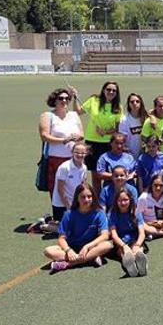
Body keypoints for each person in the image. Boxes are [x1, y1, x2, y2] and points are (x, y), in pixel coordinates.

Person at [43, 183, 112, 272]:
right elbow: (61, 238)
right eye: (83, 197)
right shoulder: (69, 214)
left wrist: (87, 246)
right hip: (73, 247)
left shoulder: (99, 213)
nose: (86, 200)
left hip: (91, 247)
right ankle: (90, 259)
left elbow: (105, 235)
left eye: (89, 196)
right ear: (77, 198)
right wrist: (68, 250)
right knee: (48, 251)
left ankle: (68, 264)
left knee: (108, 245)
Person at [39, 88, 84, 217]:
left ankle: (76, 214)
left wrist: (77, 137)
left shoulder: (74, 115)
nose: (64, 101)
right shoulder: (48, 116)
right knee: (57, 191)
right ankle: (58, 217)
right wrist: (63, 140)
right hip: (56, 159)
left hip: (74, 159)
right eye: (61, 98)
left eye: (66, 98)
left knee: (75, 188)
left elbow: (82, 134)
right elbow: (44, 136)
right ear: (54, 100)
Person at [71, 81, 122, 194]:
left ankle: (108, 199)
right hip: (92, 143)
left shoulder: (118, 107)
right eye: (108, 89)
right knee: (96, 176)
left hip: (108, 144)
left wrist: (106, 132)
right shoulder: (94, 101)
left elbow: (117, 129)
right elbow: (77, 111)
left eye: (114, 90)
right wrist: (75, 98)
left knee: (108, 174)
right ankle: (97, 202)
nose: (111, 92)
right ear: (103, 90)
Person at [108, 188, 148, 277]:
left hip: (134, 239)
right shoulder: (112, 214)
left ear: (130, 200)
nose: (123, 203)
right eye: (120, 200)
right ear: (116, 201)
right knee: (125, 253)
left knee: (137, 251)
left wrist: (137, 245)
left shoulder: (136, 212)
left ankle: (141, 261)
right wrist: (124, 246)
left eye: (125, 200)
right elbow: (114, 235)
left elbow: (142, 233)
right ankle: (130, 266)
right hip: (120, 242)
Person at [49, 142, 89, 229]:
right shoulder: (64, 167)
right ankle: (43, 226)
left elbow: (82, 186)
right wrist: (68, 206)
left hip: (75, 202)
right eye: (77, 152)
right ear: (72, 152)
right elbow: (60, 189)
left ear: (86, 153)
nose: (79, 155)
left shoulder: (84, 168)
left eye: (82, 153)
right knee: (68, 229)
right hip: (61, 204)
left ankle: (51, 221)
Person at [118, 92, 147, 158]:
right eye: (132, 102)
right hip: (129, 156)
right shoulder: (124, 120)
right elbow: (122, 140)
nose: (135, 103)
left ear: (141, 103)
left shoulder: (145, 118)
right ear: (129, 104)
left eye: (137, 101)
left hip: (143, 156)